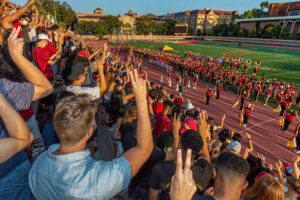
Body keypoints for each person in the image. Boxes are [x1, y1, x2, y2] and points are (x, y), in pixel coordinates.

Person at [29, 70, 153, 199]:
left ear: (56, 126)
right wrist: (141, 101)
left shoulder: (39, 163)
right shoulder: (96, 181)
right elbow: (144, 149)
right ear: (90, 131)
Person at [0, 27, 53, 199]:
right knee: (36, 148)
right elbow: (46, 88)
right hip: (13, 173)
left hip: (16, 163)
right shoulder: (4, 87)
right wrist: (18, 57)